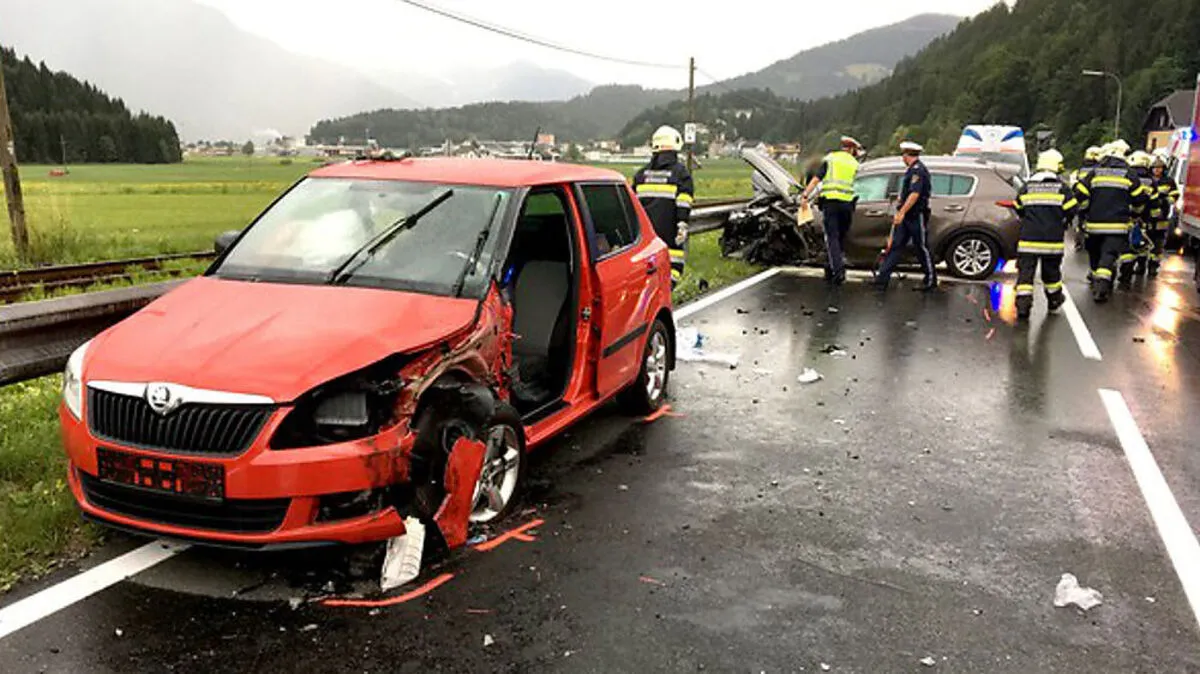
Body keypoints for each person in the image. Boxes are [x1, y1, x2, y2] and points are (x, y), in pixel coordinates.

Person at [1073, 139, 1149, 302]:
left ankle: (1096, 278)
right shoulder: (1129, 174)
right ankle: (1101, 287)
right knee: (1109, 254)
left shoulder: (1095, 172)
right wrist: (1136, 214)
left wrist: (1086, 210)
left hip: (1094, 224)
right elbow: (1140, 199)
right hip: (1117, 226)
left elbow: (1079, 193)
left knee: (1095, 253)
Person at [1013, 150, 1077, 320]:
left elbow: (1018, 208)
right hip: (1052, 241)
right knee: (1051, 274)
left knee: (1025, 275)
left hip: (1028, 241)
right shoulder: (1062, 188)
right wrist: (1062, 220)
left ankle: (1023, 308)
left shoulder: (1027, 188)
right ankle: (1055, 300)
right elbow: (1072, 210)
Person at [632, 125, 694, 288]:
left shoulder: (640, 175)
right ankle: (666, 295)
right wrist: (682, 224)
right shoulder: (681, 173)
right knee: (672, 269)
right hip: (670, 232)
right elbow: (684, 201)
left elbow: (632, 205)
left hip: (644, 236)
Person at [875, 141, 936, 291]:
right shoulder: (911, 170)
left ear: (907, 155)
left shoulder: (918, 171)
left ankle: (930, 279)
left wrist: (902, 212)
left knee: (921, 247)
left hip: (916, 215)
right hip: (907, 215)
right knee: (895, 246)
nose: (902, 157)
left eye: (903, 154)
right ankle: (882, 280)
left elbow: (915, 194)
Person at [801, 136, 863, 285]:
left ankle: (838, 271)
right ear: (852, 150)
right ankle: (830, 267)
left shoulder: (831, 159)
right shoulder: (855, 164)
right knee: (840, 238)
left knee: (832, 238)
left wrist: (805, 196)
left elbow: (817, 179)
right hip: (847, 205)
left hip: (831, 204)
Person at [1147, 151, 1180, 277]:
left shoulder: (1169, 181)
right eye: (1155, 168)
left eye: (1159, 168)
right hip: (1149, 216)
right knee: (1145, 241)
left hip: (1162, 217)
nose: (1157, 170)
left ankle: (1153, 266)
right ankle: (1141, 264)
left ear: (1163, 169)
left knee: (1158, 243)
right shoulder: (1148, 180)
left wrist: (1167, 201)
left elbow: (1175, 194)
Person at [1126, 150, 1155, 279]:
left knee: (1128, 245)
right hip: (1145, 217)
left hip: (1128, 215)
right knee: (1142, 244)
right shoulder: (1151, 180)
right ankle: (1141, 266)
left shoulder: (1129, 176)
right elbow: (1154, 199)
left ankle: (1126, 272)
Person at [1070, 146, 1101, 252]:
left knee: (1078, 220)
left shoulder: (1079, 170)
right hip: (1096, 201)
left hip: (1082, 200)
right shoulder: (1099, 170)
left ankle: (1078, 240)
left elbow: (1073, 184)